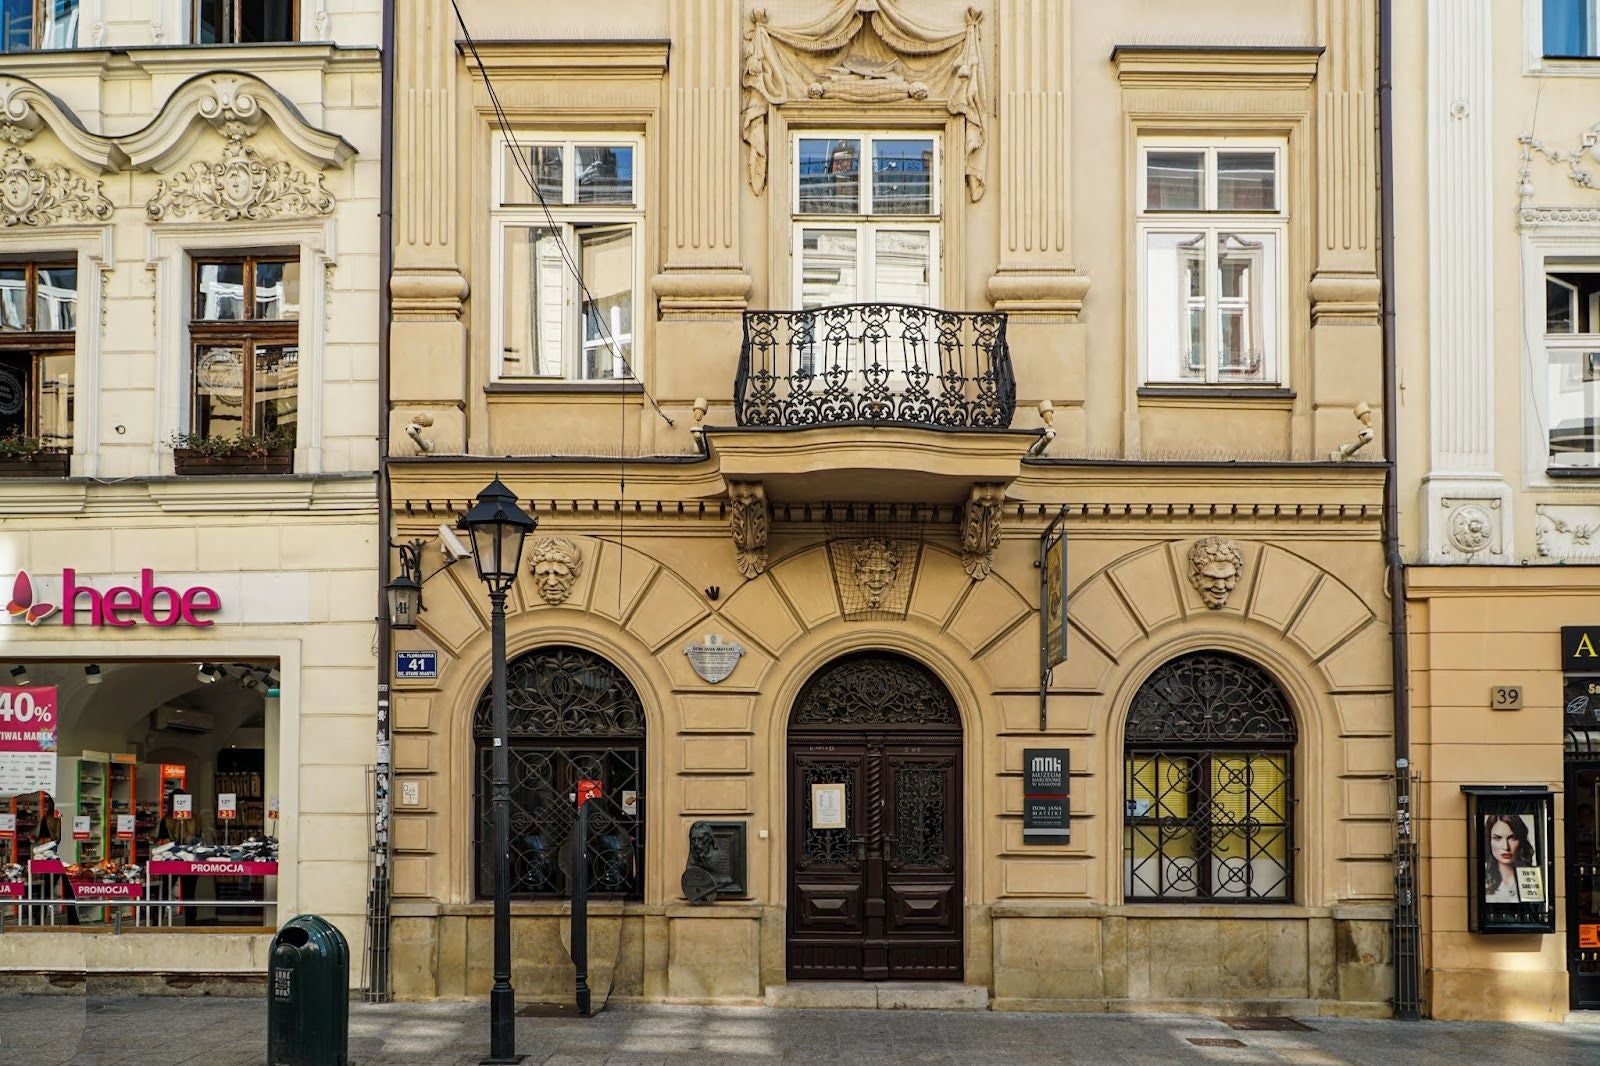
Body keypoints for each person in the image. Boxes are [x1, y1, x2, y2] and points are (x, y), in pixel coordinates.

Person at [151, 810, 201, 926]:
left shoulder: (167, 819)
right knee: (189, 894)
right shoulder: (195, 818)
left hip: (170, 860)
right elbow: (198, 838)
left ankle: (156, 924)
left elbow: (163, 841)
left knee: (163, 893)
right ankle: (191, 926)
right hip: (190, 859)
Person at [33, 796, 77, 926]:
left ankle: (38, 922)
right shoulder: (69, 818)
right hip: (67, 858)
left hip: (51, 858)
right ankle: (73, 922)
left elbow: (41, 840)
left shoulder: (47, 819)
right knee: (70, 892)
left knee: (45, 891)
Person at [1483, 813, 1536, 904]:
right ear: (1489, 841)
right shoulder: (1483, 883)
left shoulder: (1531, 880)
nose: (1506, 847)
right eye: (1497, 838)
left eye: (1512, 838)